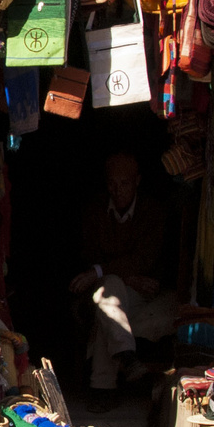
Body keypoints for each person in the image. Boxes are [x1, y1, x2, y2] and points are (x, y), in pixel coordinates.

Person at [68, 152, 175, 406]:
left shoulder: (152, 212)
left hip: (141, 296)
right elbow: (89, 256)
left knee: (109, 301)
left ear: (137, 181)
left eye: (124, 183)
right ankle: (128, 359)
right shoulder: (95, 211)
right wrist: (124, 277)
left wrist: (102, 271)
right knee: (109, 289)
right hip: (109, 290)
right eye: (112, 184)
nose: (117, 190)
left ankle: (102, 387)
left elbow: (146, 259)